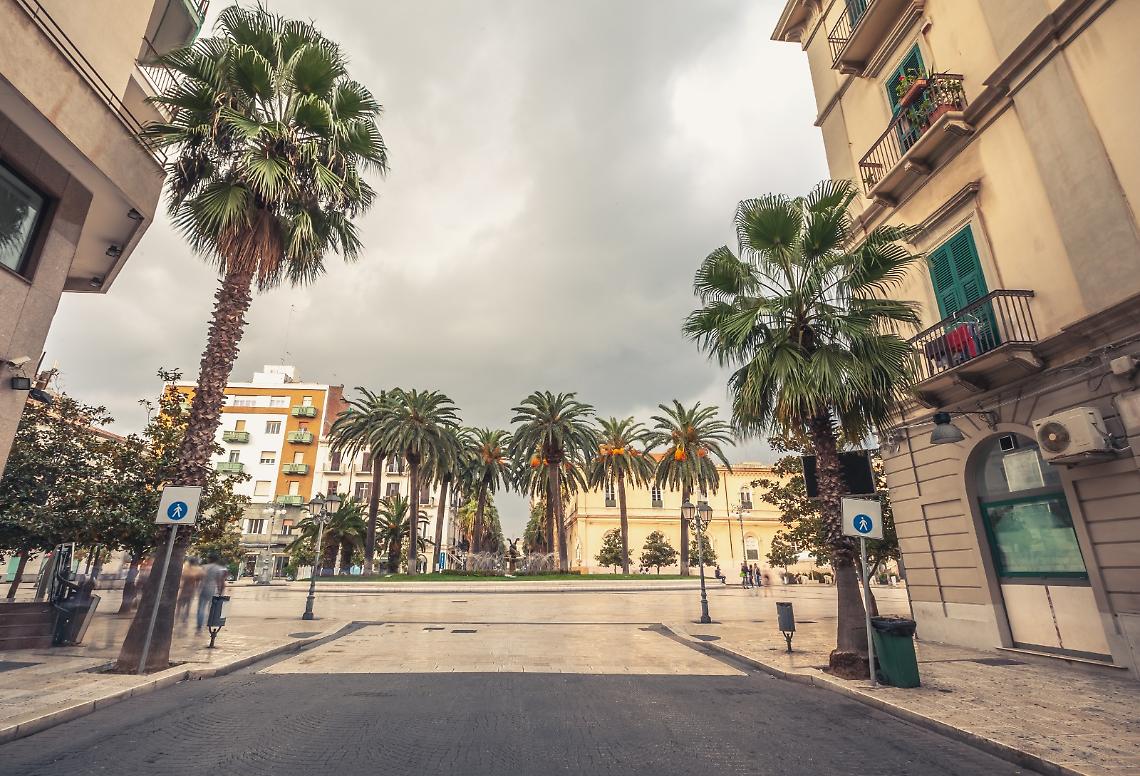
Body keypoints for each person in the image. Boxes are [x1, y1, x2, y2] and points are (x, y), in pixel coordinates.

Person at [196, 554, 227, 631]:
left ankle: (199, 626)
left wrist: (197, 588)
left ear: (209, 559)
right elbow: (220, 581)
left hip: (203, 588)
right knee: (211, 608)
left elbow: (198, 578)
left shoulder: (203, 567)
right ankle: (209, 624)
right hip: (213, 589)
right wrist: (221, 591)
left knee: (201, 608)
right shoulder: (219, 569)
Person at [176, 557, 204, 624]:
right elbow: (199, 579)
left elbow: (182, 578)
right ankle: (185, 618)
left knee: (180, 603)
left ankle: (177, 617)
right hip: (192, 588)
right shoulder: (197, 570)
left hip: (185, 588)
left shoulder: (185, 569)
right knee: (188, 604)